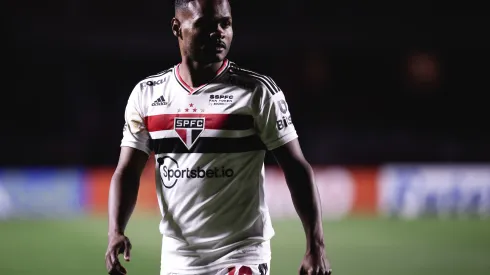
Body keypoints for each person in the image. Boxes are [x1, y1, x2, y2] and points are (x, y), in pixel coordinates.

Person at [105, 0, 332, 274]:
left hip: (242, 252)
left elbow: (296, 167)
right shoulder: (148, 95)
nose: (219, 33)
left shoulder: (257, 92)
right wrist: (115, 231)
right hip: (178, 258)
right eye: (206, 25)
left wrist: (315, 246)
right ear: (177, 27)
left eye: (225, 23)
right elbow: (127, 172)